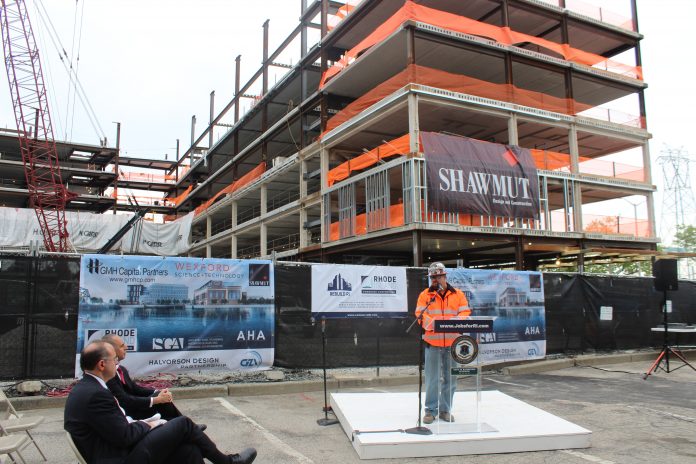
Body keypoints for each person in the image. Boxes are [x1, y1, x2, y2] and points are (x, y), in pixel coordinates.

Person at [64, 341, 257, 464]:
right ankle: (228, 463)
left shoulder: (89, 388)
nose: (117, 363)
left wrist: (149, 421)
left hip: (118, 448)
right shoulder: (95, 395)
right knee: (183, 424)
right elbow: (124, 436)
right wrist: (149, 425)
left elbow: (118, 426)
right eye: (115, 360)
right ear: (102, 365)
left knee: (188, 451)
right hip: (120, 457)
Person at [415, 262, 471, 424]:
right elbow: (419, 314)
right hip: (432, 343)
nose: (435, 279)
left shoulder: (458, 294)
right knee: (432, 379)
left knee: (450, 379)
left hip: (453, 343)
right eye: (432, 277)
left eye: (437, 276)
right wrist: (431, 324)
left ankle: (445, 410)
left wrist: (455, 322)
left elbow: (465, 312)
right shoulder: (425, 295)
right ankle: (430, 411)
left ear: (444, 276)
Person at [102, 334, 182, 421]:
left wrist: (158, 392)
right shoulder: (108, 374)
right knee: (161, 400)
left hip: (133, 407)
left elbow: (135, 388)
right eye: (121, 346)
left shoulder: (121, 369)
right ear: (111, 351)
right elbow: (124, 400)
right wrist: (156, 399)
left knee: (161, 396)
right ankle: (186, 427)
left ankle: (183, 426)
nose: (126, 347)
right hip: (125, 414)